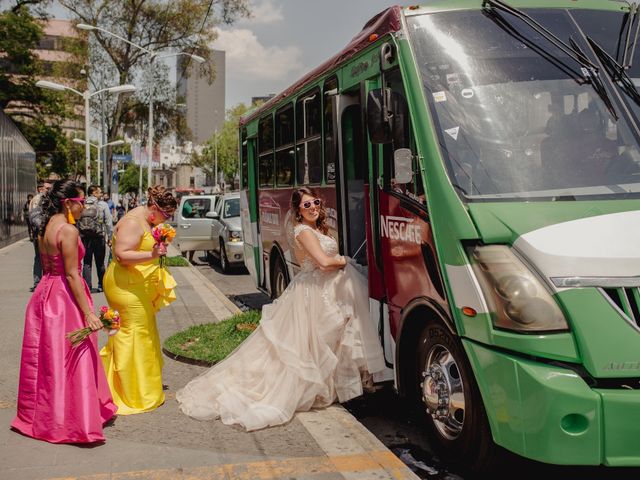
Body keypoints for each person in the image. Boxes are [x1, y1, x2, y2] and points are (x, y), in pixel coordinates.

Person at [176, 187, 385, 431]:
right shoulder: (304, 231)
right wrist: (344, 261)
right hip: (313, 292)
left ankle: (328, 388)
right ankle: (308, 389)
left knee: (324, 343)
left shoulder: (317, 228)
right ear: (297, 210)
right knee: (308, 346)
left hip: (326, 289)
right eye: (306, 205)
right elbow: (324, 262)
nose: (313, 208)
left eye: (315, 202)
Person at [12, 180, 117, 444]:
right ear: (68, 202)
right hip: (64, 298)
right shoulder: (68, 231)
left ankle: (48, 416)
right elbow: (72, 275)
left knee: (48, 361)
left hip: (43, 296)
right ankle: (72, 421)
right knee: (73, 357)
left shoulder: (45, 227)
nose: (84, 207)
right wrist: (90, 314)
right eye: (81, 202)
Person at [100, 186, 178, 415]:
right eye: (166, 215)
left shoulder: (147, 220)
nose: (167, 220)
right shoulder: (133, 222)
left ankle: (138, 387)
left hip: (136, 285)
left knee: (143, 331)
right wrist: (153, 255)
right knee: (134, 333)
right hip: (125, 286)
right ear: (154, 208)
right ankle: (130, 393)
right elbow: (122, 255)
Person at [78, 185, 112, 293]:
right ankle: (101, 285)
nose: (101, 194)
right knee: (100, 262)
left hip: (85, 237)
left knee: (87, 262)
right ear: (94, 193)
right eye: (99, 192)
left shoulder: (81, 204)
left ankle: (87, 286)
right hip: (98, 236)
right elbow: (108, 223)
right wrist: (110, 237)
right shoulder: (102, 205)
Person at [27, 180, 52, 291]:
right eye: (47, 188)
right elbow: (34, 217)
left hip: (46, 232)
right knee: (39, 257)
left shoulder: (50, 198)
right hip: (40, 233)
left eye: (50, 188)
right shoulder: (37, 199)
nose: (48, 190)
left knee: (47, 257)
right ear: (41, 188)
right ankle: (38, 282)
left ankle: (46, 281)